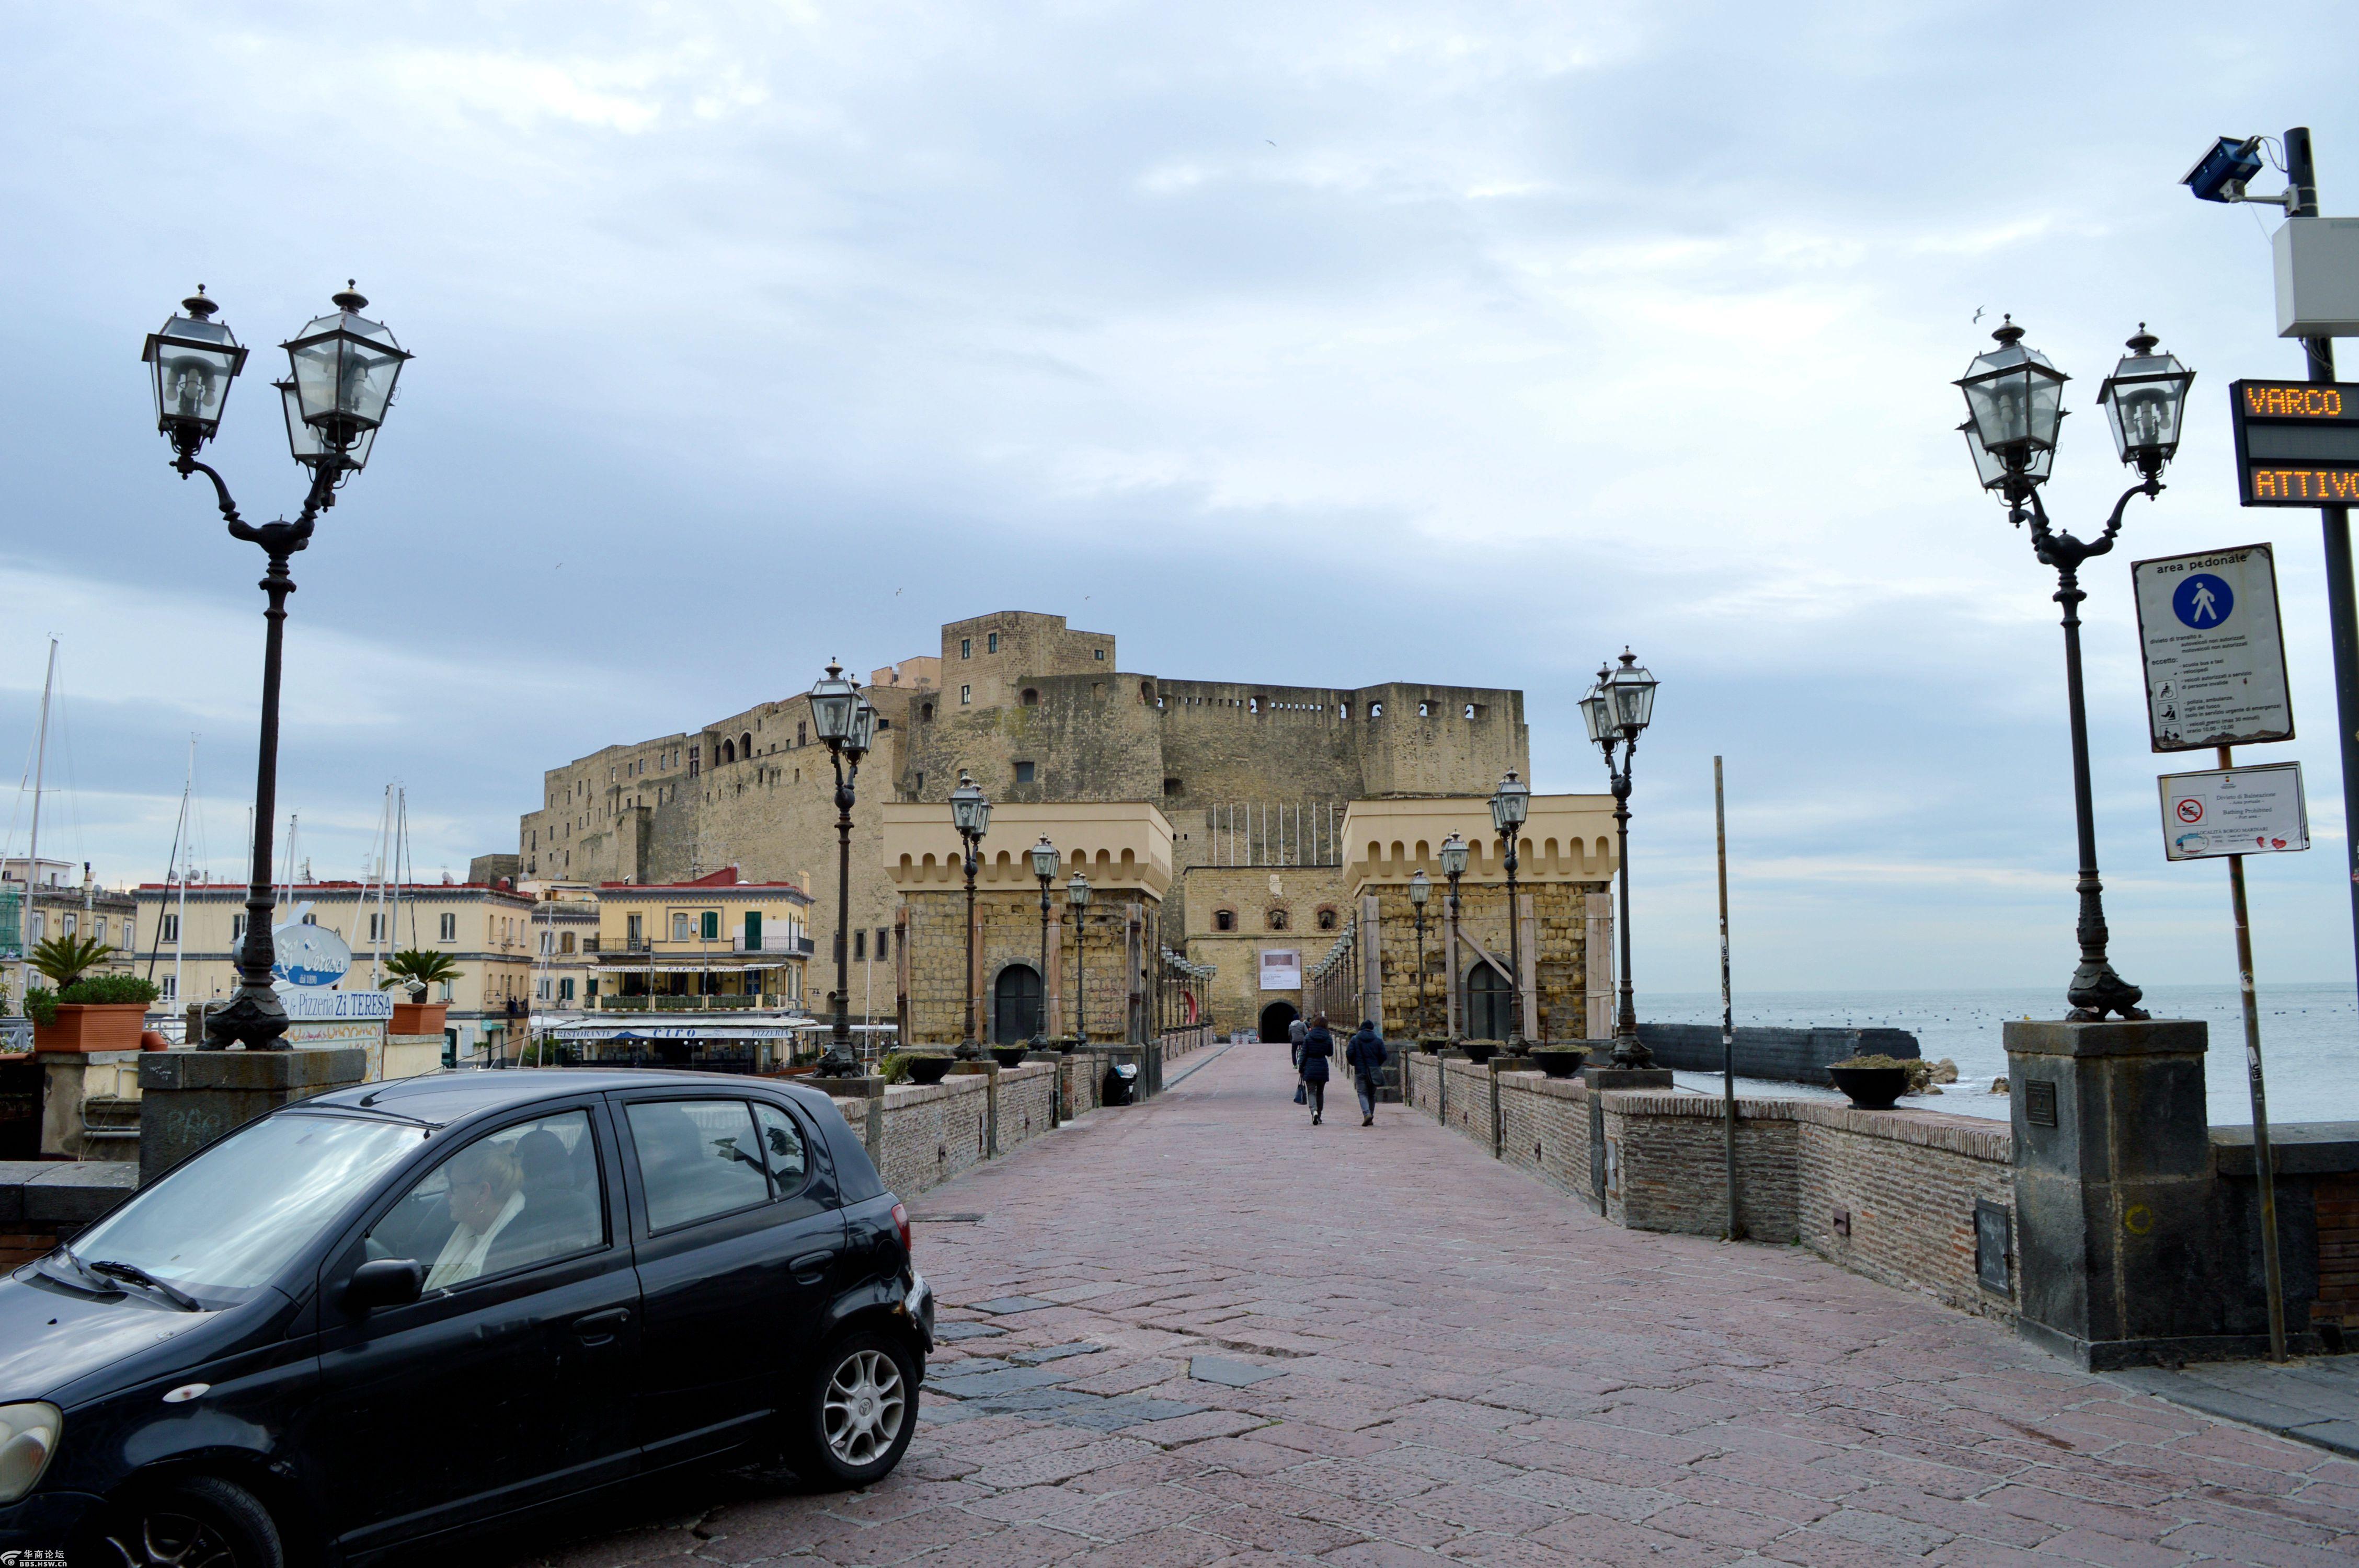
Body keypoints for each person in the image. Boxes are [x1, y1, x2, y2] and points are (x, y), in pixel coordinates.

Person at [1345, 1019, 1387, 1126]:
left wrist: (1354, 1063)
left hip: (1360, 1070)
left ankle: (1367, 1114)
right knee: (1371, 1094)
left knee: (1362, 1093)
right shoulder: (1378, 1040)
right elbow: (1384, 1056)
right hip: (1373, 1071)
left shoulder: (1355, 1039)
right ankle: (1370, 1116)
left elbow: (1349, 1053)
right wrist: (1377, 1064)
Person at [1298, 1012, 1334, 1125]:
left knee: (1312, 1092)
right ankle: (1319, 1114)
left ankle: (1314, 1111)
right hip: (1322, 1066)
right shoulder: (1328, 1038)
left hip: (1310, 1066)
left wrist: (1301, 1068)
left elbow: (1303, 1054)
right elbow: (1330, 1053)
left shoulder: (1308, 1037)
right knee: (1320, 1093)